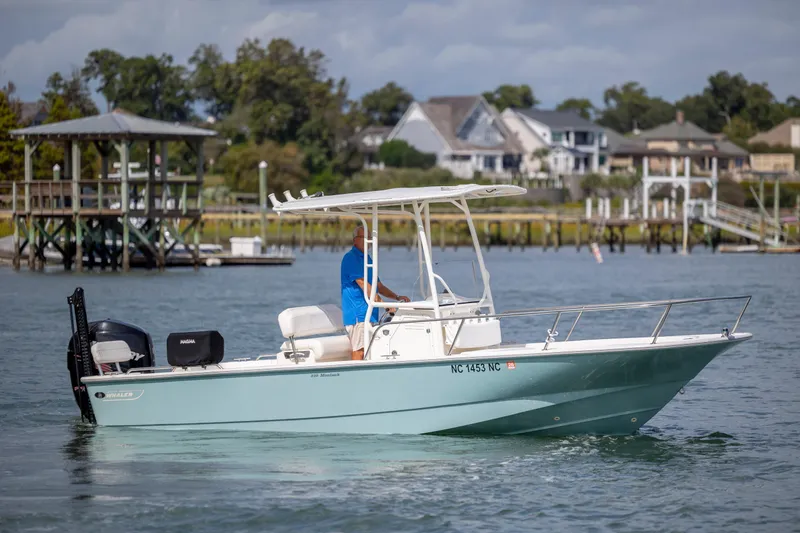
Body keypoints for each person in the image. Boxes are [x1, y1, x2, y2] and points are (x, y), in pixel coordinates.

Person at [341, 226, 410, 360]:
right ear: (355, 240)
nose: (369, 242)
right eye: (365, 238)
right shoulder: (350, 258)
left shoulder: (367, 259)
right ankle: (356, 380)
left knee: (370, 351)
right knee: (360, 350)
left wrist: (396, 297)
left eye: (370, 239)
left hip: (370, 313)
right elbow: (364, 285)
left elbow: (378, 285)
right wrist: (385, 305)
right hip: (358, 315)